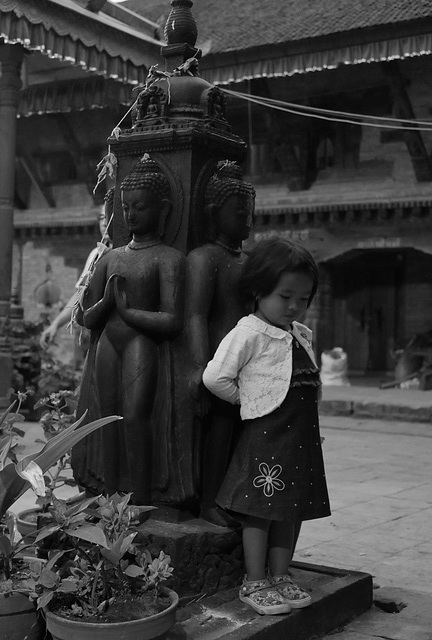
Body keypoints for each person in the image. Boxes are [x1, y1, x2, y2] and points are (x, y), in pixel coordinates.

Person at [202, 237, 331, 616]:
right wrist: (251, 401)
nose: (294, 306)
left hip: (301, 439)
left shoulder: (300, 334)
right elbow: (215, 378)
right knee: (260, 508)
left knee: (292, 509)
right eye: (285, 296)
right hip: (266, 438)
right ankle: (255, 579)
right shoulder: (249, 333)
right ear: (259, 290)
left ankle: (281, 574)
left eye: (304, 299)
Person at [74, 154, 189, 508]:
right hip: (109, 341)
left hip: (141, 342)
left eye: (140, 207)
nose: (131, 215)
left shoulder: (168, 259)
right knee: (106, 416)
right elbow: (84, 317)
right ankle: (109, 493)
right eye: (125, 207)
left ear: (163, 209)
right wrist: (107, 303)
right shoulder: (110, 257)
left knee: (136, 416)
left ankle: (138, 497)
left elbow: (171, 320)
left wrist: (126, 310)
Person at [185, 160, 255, 527]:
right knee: (219, 430)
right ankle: (209, 500)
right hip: (217, 354)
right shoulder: (204, 259)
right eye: (239, 212)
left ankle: (234, 496)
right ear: (214, 213)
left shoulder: (249, 260)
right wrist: (200, 365)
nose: (247, 219)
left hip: (249, 356)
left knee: (243, 431)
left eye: (250, 212)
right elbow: (195, 314)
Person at [39, 189, 114, 351]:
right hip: (96, 335)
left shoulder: (125, 253)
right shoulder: (96, 254)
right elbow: (80, 294)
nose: (103, 223)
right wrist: (56, 325)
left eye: (108, 217)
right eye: (101, 218)